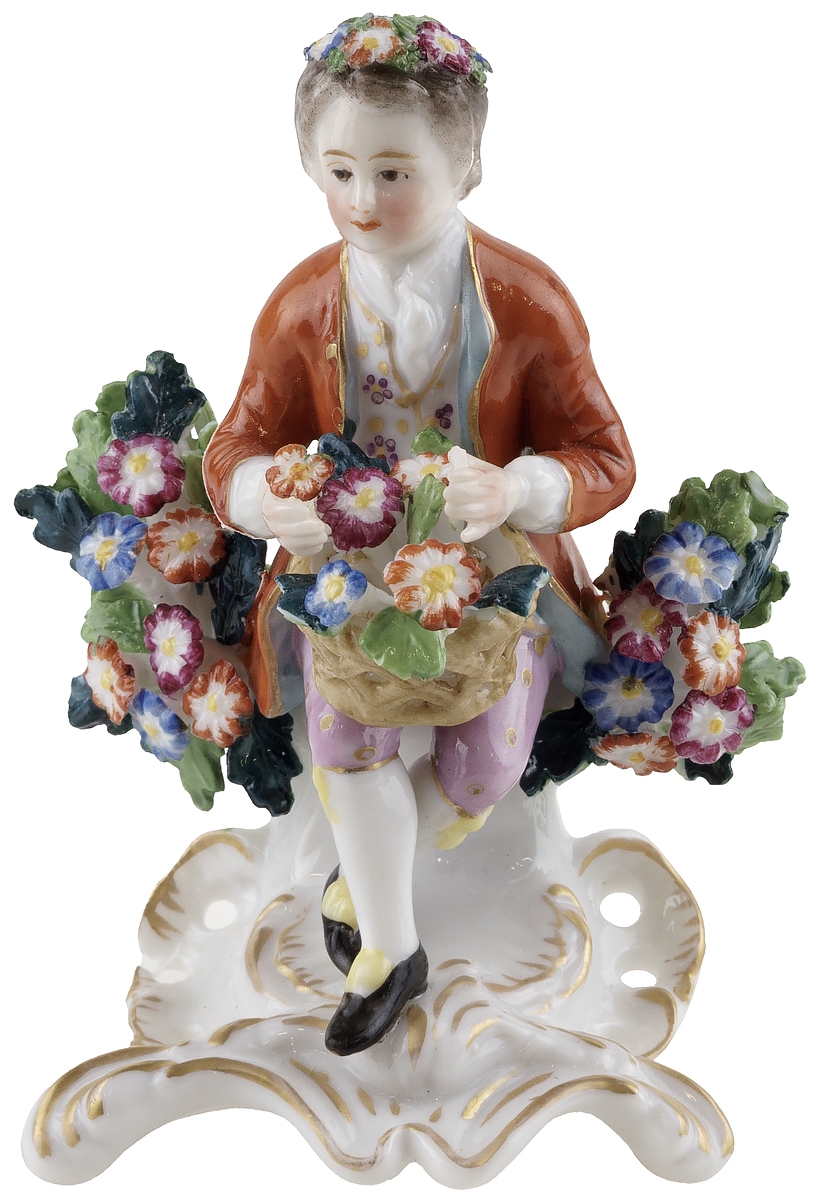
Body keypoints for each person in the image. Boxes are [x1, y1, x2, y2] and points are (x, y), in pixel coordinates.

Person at [203, 14, 635, 1056]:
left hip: (489, 574)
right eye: (339, 171)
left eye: (392, 173)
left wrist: (517, 486)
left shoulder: (526, 301)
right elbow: (236, 444)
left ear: (464, 166)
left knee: (483, 768)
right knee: (346, 740)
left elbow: (605, 456)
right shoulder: (306, 303)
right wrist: (263, 496)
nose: (361, 200)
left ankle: (358, 881)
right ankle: (391, 953)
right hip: (341, 571)